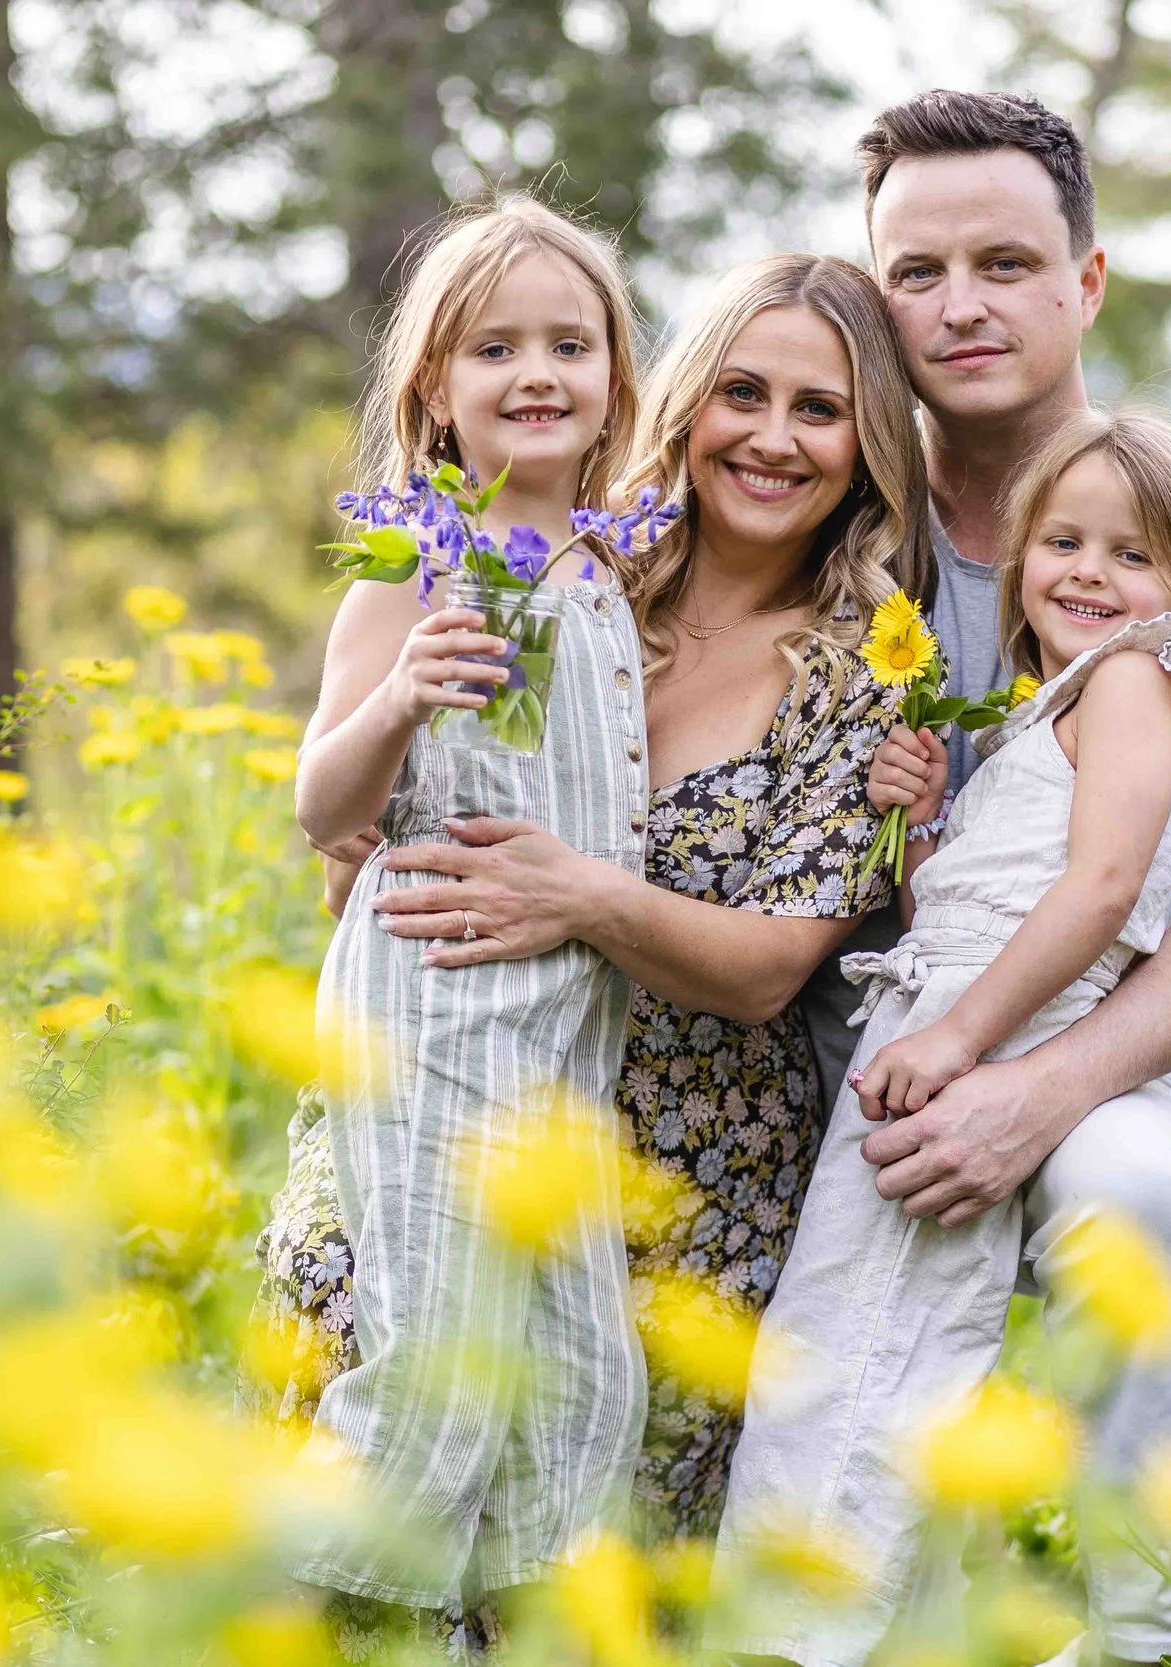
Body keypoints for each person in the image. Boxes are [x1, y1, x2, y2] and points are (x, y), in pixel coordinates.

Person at [272, 252, 932, 1544]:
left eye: (822, 408)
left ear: (868, 450)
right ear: (681, 401)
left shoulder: (865, 672)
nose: (775, 438)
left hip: (679, 1169)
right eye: (744, 391)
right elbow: (355, 820)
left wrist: (583, 895)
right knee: (372, 1418)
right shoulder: (567, 562)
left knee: (568, 1517)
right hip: (444, 1086)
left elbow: (763, 972)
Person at [772, 91, 1171, 1667]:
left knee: (1124, 1190)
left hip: (1083, 1017)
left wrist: (1044, 1089)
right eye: (916, 271)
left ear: (1086, 281)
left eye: (1006, 261)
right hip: (837, 1025)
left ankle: (1147, 1628)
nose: (960, 305)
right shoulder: (826, 509)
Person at [717, 408, 1171, 1665]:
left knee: (856, 1334)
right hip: (958, 1007)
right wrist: (921, 833)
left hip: (997, 1028)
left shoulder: (1136, 676)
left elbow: (1097, 889)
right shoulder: (1058, 705)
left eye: (1133, 554)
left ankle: (802, 1625)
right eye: (1062, 540)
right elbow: (982, 902)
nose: (1087, 571)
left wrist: (961, 1035)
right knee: (879, 1328)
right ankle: (856, 1621)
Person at [273, 194, 651, 1630]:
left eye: (572, 341)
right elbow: (324, 804)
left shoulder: (613, 566)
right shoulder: (410, 558)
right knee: (435, 1366)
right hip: (433, 1005)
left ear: (618, 372)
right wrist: (400, 693)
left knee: (583, 1386)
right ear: (436, 385)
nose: (538, 372)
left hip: (566, 1023)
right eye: (497, 347)